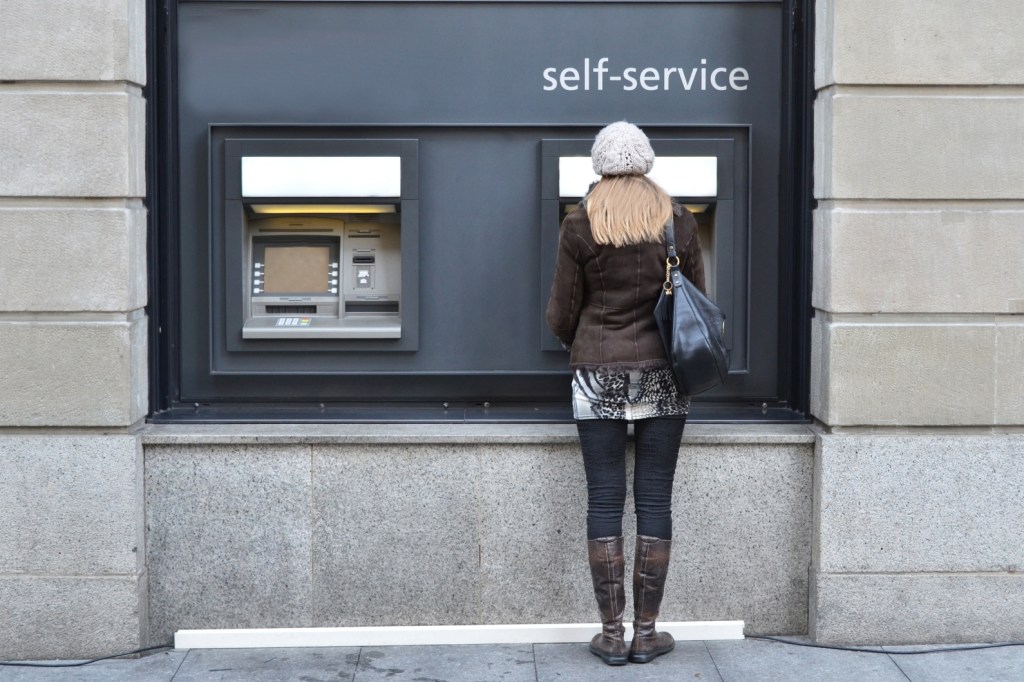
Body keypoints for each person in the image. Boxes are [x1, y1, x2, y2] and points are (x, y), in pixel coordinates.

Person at [546, 121, 706, 666]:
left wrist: (586, 340)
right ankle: (648, 633)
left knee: (605, 499)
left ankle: (611, 635)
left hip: (597, 371)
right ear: (646, 162)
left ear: (599, 164)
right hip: (664, 371)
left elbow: (561, 313)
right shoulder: (677, 220)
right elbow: (697, 302)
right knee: (655, 498)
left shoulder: (580, 222)